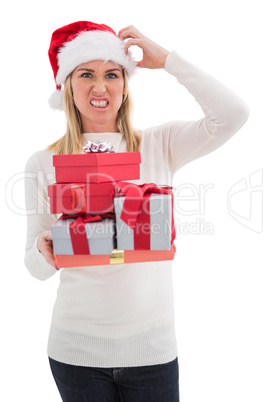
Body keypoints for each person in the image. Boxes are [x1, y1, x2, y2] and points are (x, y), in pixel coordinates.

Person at [24, 21, 249, 402]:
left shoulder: (160, 144)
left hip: (152, 350)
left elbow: (233, 114)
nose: (100, 87)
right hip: (75, 351)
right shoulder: (44, 162)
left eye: (112, 73)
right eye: (86, 74)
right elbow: (33, 267)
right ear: (66, 85)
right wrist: (47, 248)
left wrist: (168, 61)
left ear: (125, 83)